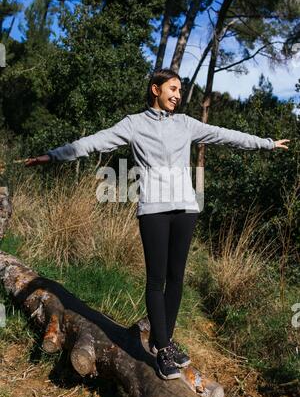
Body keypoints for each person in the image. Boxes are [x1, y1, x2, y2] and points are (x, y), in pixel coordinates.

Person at [25, 68, 290, 380]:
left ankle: (163, 341)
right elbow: (94, 142)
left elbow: (225, 135)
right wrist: (53, 156)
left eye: (179, 90)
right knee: (156, 279)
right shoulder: (134, 124)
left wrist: (265, 143)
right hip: (153, 210)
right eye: (173, 89)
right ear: (156, 89)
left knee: (176, 278)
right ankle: (163, 350)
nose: (178, 95)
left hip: (186, 209)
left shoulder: (186, 124)